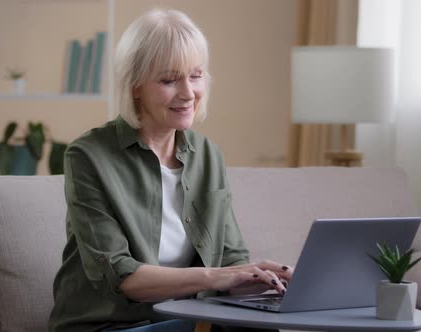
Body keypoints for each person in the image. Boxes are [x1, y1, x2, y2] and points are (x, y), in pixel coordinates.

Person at [48, 8, 293, 332]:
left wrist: (262, 277)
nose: (188, 93)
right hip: (111, 325)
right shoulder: (88, 156)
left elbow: (230, 261)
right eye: (169, 79)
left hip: (188, 321)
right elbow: (122, 276)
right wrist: (214, 277)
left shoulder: (208, 155)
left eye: (196, 75)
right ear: (135, 85)